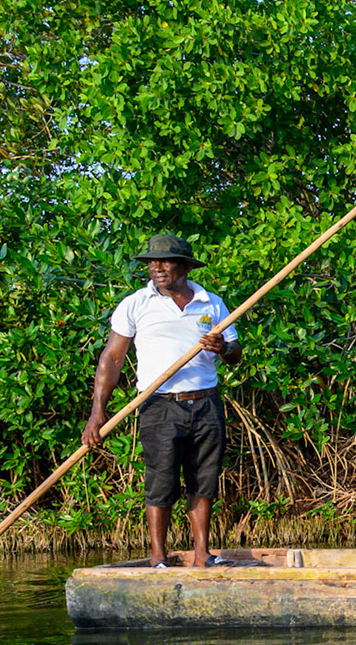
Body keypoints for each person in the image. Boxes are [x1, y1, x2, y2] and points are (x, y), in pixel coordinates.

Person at [82, 233, 242, 568]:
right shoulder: (136, 304)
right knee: (161, 479)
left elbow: (235, 352)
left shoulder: (211, 303)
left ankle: (202, 554)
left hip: (206, 403)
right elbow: (111, 360)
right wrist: (97, 413)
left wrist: (222, 348)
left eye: (165, 261)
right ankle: (158, 557)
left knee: (204, 479)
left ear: (184, 266)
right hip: (159, 404)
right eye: (152, 262)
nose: (157, 268)